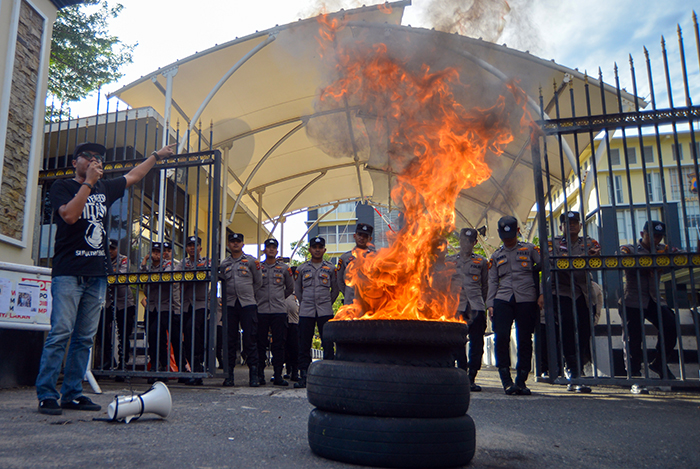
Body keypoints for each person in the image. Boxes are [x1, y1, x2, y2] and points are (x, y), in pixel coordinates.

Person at [36, 141, 175, 415]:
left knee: (85, 337)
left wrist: (156, 156)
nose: (94, 160)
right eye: (87, 156)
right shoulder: (63, 187)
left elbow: (134, 175)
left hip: (97, 274)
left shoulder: (105, 188)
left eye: (98, 158)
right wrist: (88, 183)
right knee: (61, 332)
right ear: (76, 161)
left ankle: (72, 394)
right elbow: (71, 216)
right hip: (68, 273)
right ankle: (47, 394)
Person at [619, 220, 678, 394]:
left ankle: (659, 362)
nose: (656, 239)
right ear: (642, 234)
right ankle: (635, 376)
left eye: (659, 236)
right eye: (652, 235)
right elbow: (621, 257)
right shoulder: (630, 249)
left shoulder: (663, 250)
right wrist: (651, 263)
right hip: (633, 300)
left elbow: (681, 256)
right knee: (633, 338)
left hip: (654, 300)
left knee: (670, 324)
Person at [487, 216, 543, 396]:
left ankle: (521, 380)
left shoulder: (530, 249)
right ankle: (506, 379)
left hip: (527, 297)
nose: (508, 239)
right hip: (503, 298)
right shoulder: (496, 256)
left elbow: (543, 270)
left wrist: (541, 293)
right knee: (501, 336)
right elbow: (493, 281)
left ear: (517, 231)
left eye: (511, 235)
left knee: (524, 338)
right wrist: (490, 304)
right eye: (504, 236)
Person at [548, 211, 601, 393]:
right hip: (562, 291)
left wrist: (593, 256)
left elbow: (598, 257)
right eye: (567, 223)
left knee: (585, 328)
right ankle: (572, 370)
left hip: (584, 292)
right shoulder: (552, 243)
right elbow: (552, 263)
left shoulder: (589, 242)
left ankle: (581, 366)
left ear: (579, 225)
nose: (571, 226)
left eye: (574, 222)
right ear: (561, 226)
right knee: (568, 328)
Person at [293, 236, 339, 388]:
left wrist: (327, 303)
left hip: (325, 310)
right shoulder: (301, 269)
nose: (317, 250)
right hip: (306, 311)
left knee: (327, 343)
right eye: (314, 247)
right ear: (310, 250)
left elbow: (335, 289)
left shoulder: (331, 268)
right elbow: (298, 290)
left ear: (325, 250)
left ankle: (328, 376)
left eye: (320, 247)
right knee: (304, 344)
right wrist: (305, 302)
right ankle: (304, 375)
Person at [220, 232, 262, 387]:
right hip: (230, 304)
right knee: (230, 340)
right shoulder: (224, 264)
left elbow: (258, 282)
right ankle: (229, 375)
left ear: (243, 244)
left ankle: (254, 375)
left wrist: (248, 294)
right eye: (232, 242)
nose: (235, 244)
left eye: (238, 241)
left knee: (250, 339)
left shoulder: (251, 261)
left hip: (247, 304)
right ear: (229, 245)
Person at [452, 228, 488, 392]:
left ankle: (472, 376)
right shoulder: (450, 261)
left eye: (470, 241)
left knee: (477, 343)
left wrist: (484, 304)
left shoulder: (481, 262)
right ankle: (461, 373)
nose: (466, 244)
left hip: (475, 306)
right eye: (463, 240)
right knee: (457, 342)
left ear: (475, 243)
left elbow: (486, 286)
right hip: (457, 307)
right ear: (459, 241)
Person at [140, 241, 182, 382]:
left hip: (166, 307)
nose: (156, 254)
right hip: (152, 306)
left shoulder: (168, 265)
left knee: (161, 335)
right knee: (152, 337)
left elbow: (164, 280)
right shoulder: (149, 267)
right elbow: (141, 278)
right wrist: (144, 262)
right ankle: (156, 367)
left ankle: (170, 367)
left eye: (159, 252)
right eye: (154, 252)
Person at [256, 239, 295, 386]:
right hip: (261, 310)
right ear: (264, 250)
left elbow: (290, 288)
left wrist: (279, 298)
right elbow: (254, 285)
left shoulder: (284, 268)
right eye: (268, 247)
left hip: (279, 310)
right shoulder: (258, 267)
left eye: (274, 248)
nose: (271, 250)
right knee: (260, 343)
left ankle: (278, 374)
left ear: (277, 251)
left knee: (279, 344)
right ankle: (259, 374)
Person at [98, 239, 136, 382]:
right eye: (109, 249)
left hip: (124, 302)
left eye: (113, 249)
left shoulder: (124, 259)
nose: (111, 251)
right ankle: (108, 360)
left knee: (124, 334)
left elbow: (118, 276)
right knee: (101, 330)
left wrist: (108, 273)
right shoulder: (102, 258)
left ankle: (123, 364)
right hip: (107, 302)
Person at [182, 235, 211, 386]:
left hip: (201, 304)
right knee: (187, 335)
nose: (192, 248)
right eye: (189, 246)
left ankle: (198, 367)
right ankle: (191, 369)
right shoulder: (183, 263)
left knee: (193, 330)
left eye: (195, 245)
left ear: (200, 248)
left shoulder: (207, 262)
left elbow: (207, 276)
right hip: (186, 304)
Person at [337, 223, 374, 305]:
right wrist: (348, 293)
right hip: (351, 302)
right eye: (359, 235)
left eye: (365, 236)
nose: (362, 238)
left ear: (370, 239)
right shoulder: (345, 258)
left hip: (370, 302)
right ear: (354, 236)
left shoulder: (376, 257)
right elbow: (340, 281)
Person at [283, 290, 300, 382]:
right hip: (283, 321)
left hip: (295, 323)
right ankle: (286, 370)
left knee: (294, 347)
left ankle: (295, 371)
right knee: (283, 347)